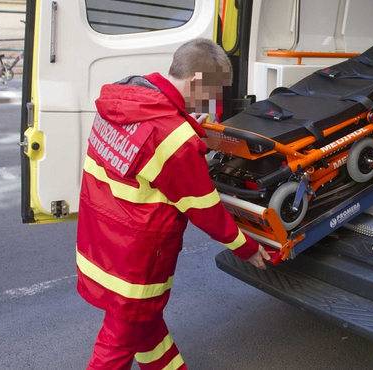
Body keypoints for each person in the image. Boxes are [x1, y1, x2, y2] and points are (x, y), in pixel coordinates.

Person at [76, 38, 270, 370]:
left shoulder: (124, 100)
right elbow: (205, 209)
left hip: (103, 245)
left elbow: (147, 153)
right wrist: (246, 247)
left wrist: (191, 132)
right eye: (214, 90)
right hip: (138, 263)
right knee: (116, 346)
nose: (213, 100)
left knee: (147, 331)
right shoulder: (173, 138)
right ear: (196, 80)